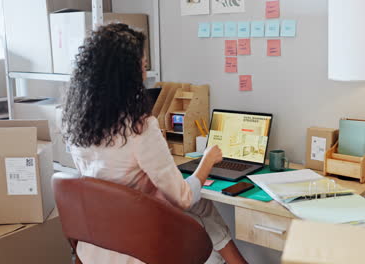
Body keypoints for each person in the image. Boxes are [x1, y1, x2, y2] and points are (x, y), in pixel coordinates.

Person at [62, 23, 247, 264]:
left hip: (98, 240)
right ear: (126, 75)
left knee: (201, 209)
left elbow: (109, 180)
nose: (145, 73)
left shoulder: (77, 124)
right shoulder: (140, 128)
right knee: (200, 206)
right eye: (142, 65)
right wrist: (207, 160)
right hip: (139, 242)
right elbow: (183, 197)